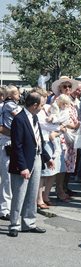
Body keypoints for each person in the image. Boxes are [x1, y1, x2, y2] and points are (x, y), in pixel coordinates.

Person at [8, 91, 55, 237]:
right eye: (41, 105)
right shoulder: (20, 119)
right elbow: (17, 145)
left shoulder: (34, 118)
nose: (42, 107)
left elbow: (39, 140)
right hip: (23, 162)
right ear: (34, 105)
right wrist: (23, 167)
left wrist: (47, 157)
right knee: (19, 194)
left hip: (36, 158)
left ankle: (29, 223)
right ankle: (14, 224)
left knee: (32, 193)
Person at [0, 85, 22, 221]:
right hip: (7, 143)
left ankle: (10, 207)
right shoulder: (6, 106)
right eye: (17, 94)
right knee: (7, 178)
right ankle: (4, 209)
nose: (19, 96)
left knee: (12, 177)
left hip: (12, 143)